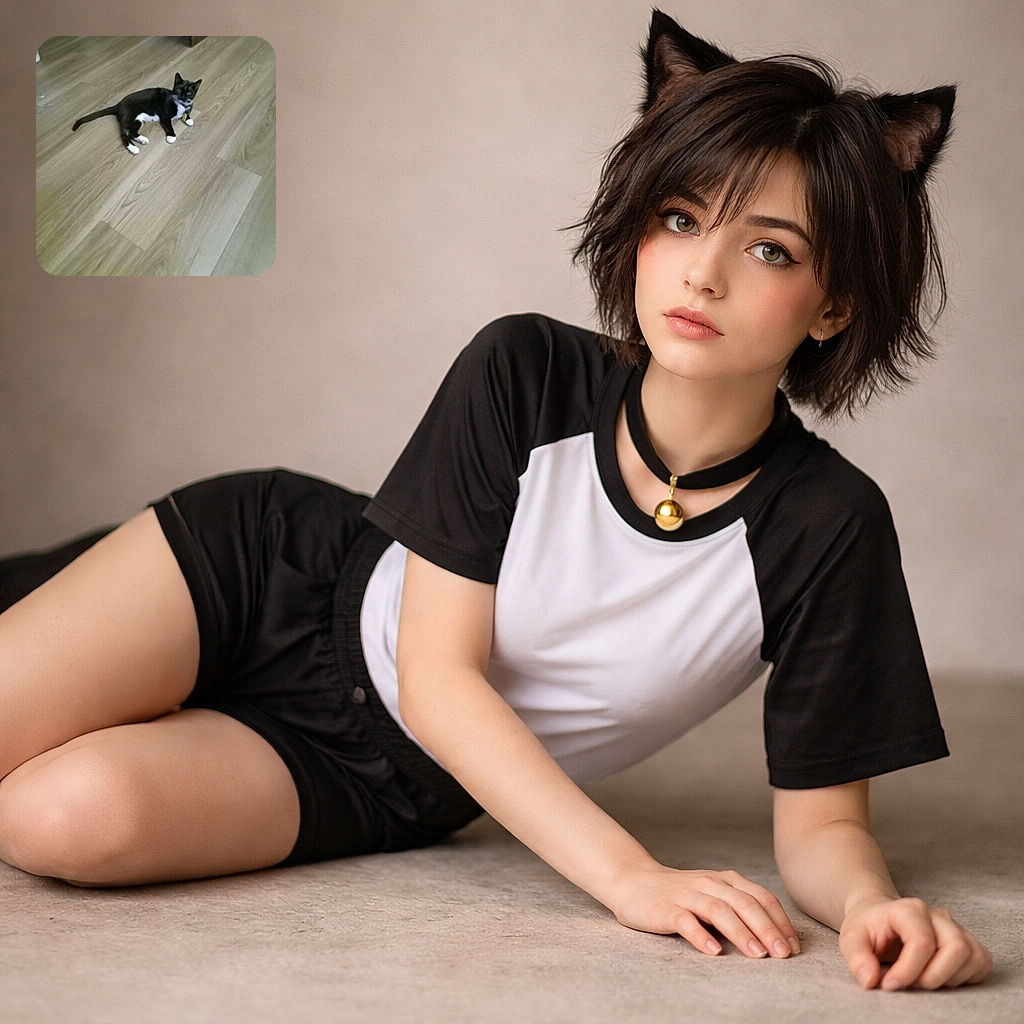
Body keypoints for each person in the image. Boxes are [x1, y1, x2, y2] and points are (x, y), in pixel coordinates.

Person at [0, 10, 992, 992]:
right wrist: (630, 877)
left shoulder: (830, 527)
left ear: (834, 304)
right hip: (264, 580)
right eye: (680, 219)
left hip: (388, 777)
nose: (702, 272)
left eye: (770, 250)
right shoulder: (524, 367)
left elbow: (823, 822)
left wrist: (872, 907)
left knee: (57, 822)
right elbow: (438, 675)